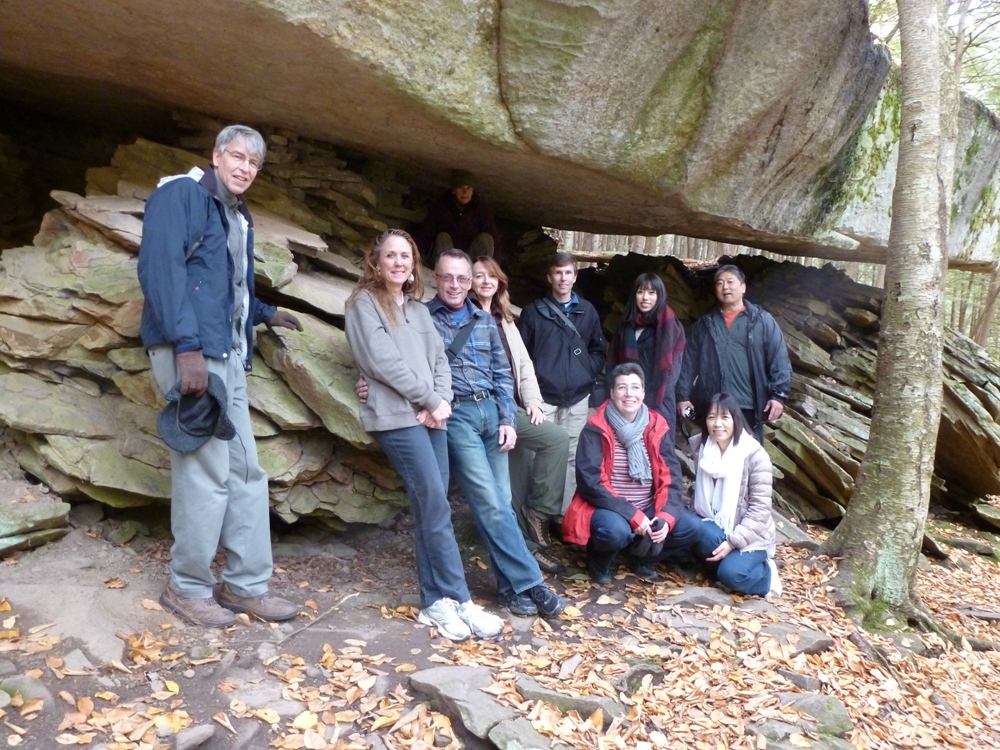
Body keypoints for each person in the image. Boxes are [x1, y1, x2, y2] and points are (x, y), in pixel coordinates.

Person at [138, 125, 302, 628]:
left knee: (247, 472)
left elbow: (221, 285)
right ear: (215, 156)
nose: (245, 168)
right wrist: (187, 349)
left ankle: (245, 586)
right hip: (193, 353)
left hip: (227, 355)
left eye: (253, 163)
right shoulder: (180, 195)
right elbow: (162, 272)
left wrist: (264, 313)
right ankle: (186, 587)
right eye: (237, 157)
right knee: (206, 473)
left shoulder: (236, 214)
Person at [357, 249, 566, 618]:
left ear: (470, 282)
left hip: (491, 413)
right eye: (447, 277)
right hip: (454, 414)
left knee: (500, 499)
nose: (455, 285)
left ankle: (510, 589)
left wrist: (506, 418)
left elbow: (503, 374)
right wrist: (367, 379)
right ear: (435, 279)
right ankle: (532, 582)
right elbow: (398, 358)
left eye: (462, 278)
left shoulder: (484, 319)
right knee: (488, 499)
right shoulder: (420, 316)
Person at [345, 230, 505, 641]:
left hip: (431, 415)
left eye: (406, 256)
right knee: (434, 502)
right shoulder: (363, 303)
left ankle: (437, 602)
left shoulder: (417, 310)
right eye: (390, 256)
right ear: (376, 262)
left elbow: (438, 358)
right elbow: (382, 362)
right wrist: (430, 400)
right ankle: (459, 598)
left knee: (431, 505)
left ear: (414, 264)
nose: (398, 263)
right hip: (397, 417)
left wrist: (441, 402)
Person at [470, 256, 569, 575]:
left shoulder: (506, 318)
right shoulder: (462, 315)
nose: (486, 281)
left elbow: (524, 365)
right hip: (484, 410)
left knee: (555, 439)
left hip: (513, 408)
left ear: (500, 282)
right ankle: (528, 551)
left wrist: (534, 402)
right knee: (508, 487)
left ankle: (539, 511)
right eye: (479, 276)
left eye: (492, 276)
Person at [562, 363, 704, 583]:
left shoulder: (657, 425)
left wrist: (665, 518)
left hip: (648, 506)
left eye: (635, 387)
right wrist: (631, 513)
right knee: (614, 532)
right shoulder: (596, 427)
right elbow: (590, 482)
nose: (629, 394)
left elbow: (671, 477)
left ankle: (641, 557)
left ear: (644, 393)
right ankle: (599, 563)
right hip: (610, 508)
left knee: (691, 527)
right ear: (612, 393)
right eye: (622, 388)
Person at [518, 252, 606, 513]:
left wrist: (586, 373)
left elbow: (597, 349)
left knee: (570, 455)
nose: (563, 278)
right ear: (549, 277)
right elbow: (522, 356)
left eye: (568, 273)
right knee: (538, 454)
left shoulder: (587, 311)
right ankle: (533, 512)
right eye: (558, 272)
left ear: (575, 277)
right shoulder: (533, 313)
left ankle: (561, 513)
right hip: (543, 397)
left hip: (577, 396)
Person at [677, 264, 791, 442]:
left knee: (749, 462)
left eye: (730, 282)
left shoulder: (762, 321)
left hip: (748, 407)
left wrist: (778, 396)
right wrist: (682, 396)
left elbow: (779, 360)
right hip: (713, 409)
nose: (725, 287)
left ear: (743, 287)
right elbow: (688, 363)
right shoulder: (705, 324)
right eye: (720, 283)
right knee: (714, 462)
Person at [688, 393, 781, 597]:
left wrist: (732, 542)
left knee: (732, 575)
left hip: (751, 536)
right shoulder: (702, 451)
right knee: (689, 527)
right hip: (715, 525)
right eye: (712, 417)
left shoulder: (755, 456)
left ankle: (766, 576)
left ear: (735, 420)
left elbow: (760, 511)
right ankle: (720, 565)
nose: (717, 424)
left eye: (724, 417)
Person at [606, 273, 686, 436]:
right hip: (627, 401)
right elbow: (613, 364)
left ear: (660, 295)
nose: (645, 298)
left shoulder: (670, 326)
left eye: (652, 293)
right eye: (640, 292)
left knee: (658, 454)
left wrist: (644, 398)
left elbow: (672, 372)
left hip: (659, 401)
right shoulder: (625, 326)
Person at [414, 170, 502, 265]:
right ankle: (445, 272)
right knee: (443, 237)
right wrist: (414, 256)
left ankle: (479, 274)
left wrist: (495, 270)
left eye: (468, 188)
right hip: (445, 259)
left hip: (469, 261)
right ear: (453, 190)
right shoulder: (441, 208)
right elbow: (426, 233)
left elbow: (494, 242)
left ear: (472, 191)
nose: (465, 192)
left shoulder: (481, 211)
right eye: (460, 187)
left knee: (486, 238)